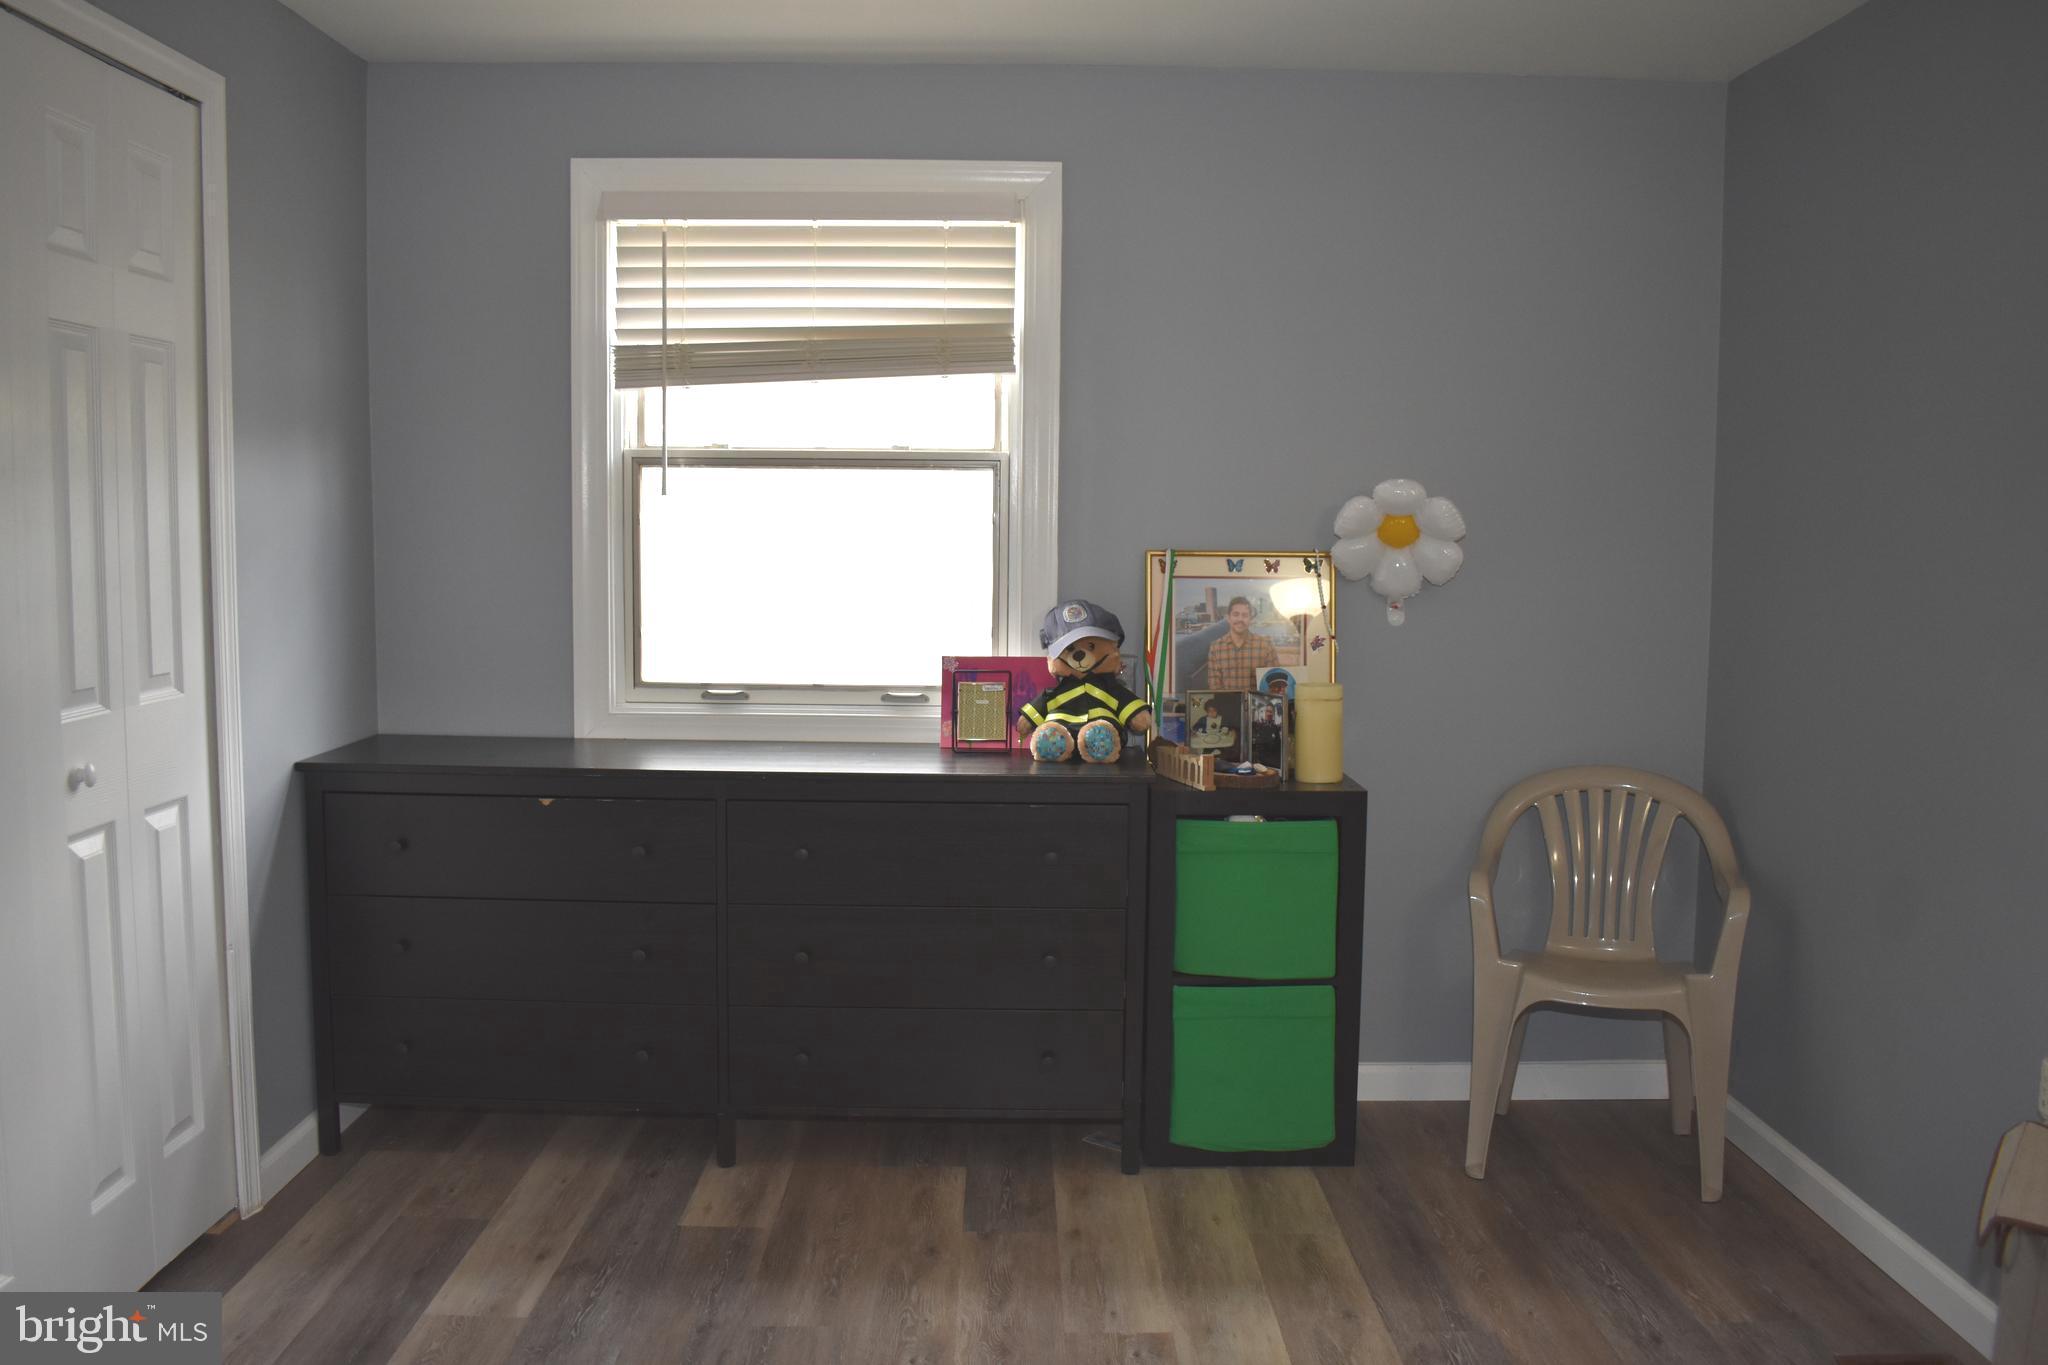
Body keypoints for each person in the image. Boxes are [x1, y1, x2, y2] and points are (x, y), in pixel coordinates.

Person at [1204, 595, 1280, 690]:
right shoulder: (1216, 648)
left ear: (1250, 619)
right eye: (1236, 614)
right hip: (1228, 703)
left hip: (1258, 703)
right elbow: (1214, 686)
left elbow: (1275, 683)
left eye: (1245, 615)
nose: (1240, 619)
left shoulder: (1265, 645)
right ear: (1228, 618)